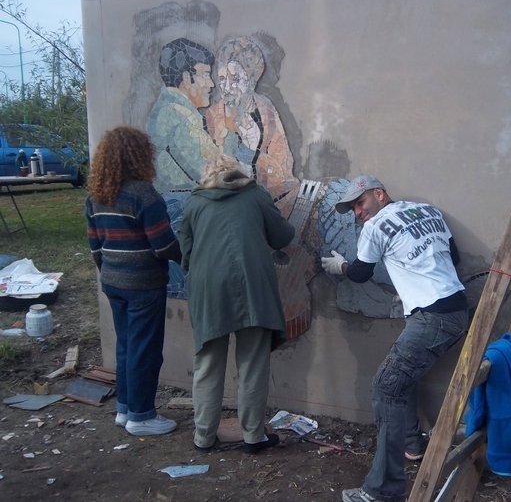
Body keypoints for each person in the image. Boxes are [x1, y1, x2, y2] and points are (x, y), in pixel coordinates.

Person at [321, 175, 468, 502]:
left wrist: (341, 266)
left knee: (386, 386)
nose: (358, 213)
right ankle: (412, 445)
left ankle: (383, 490)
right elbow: (453, 258)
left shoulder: (375, 227)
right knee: (401, 377)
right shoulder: (428, 211)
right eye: (353, 209)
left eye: (360, 203)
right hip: (457, 309)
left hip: (432, 317)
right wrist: (414, 279)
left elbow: (361, 273)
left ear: (379, 194)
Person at [177, 154, 294, 454]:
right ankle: (253, 436)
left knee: (208, 362)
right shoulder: (256, 195)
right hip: (252, 285)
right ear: (239, 173)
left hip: (208, 288)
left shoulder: (194, 202)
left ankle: (204, 437)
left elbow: (185, 252)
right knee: (253, 362)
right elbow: (282, 236)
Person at [85, 126, 181, 436]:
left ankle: (125, 409)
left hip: (113, 282)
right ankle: (142, 417)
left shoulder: (97, 196)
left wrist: (111, 271)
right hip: (143, 284)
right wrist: (187, 256)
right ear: (139, 155)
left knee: (126, 345)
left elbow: (95, 246)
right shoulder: (144, 194)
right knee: (145, 350)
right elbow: (163, 245)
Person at [205, 36, 298, 218]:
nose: (226, 87)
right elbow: (210, 170)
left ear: (251, 79)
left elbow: (283, 165)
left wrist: (253, 157)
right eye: (222, 79)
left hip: (264, 196)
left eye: (234, 78)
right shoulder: (213, 116)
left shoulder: (265, 109)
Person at [146, 38, 220, 193]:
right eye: (205, 75)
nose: (211, 84)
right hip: (181, 202)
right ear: (186, 78)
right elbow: (205, 173)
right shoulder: (174, 114)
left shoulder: (176, 110)